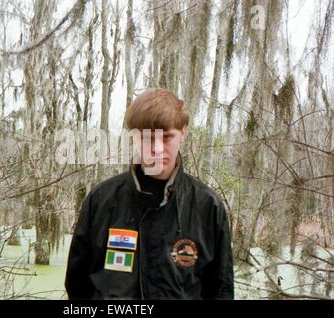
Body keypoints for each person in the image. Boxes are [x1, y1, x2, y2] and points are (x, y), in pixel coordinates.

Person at [65, 88, 234, 299]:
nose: (157, 149)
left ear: (183, 133)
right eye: (148, 139)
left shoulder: (208, 207)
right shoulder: (101, 201)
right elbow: (77, 284)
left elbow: (221, 290)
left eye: (166, 137)